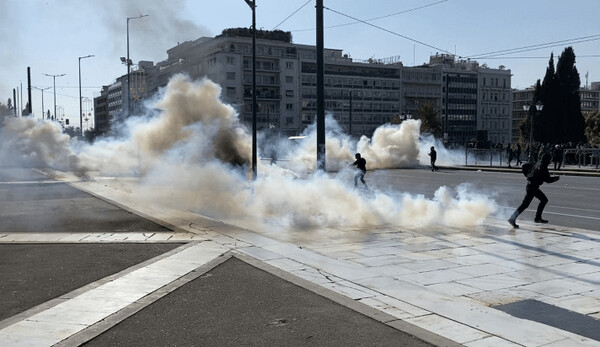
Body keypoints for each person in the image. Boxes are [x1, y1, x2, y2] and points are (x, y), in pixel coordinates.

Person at [508, 153, 560, 228]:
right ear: (547, 160)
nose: (550, 161)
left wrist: (528, 176)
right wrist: (555, 178)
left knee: (527, 204)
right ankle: (535, 218)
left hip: (531, 185)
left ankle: (534, 218)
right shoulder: (543, 167)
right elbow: (547, 180)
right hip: (533, 187)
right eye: (550, 159)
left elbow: (524, 166)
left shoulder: (538, 163)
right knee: (542, 200)